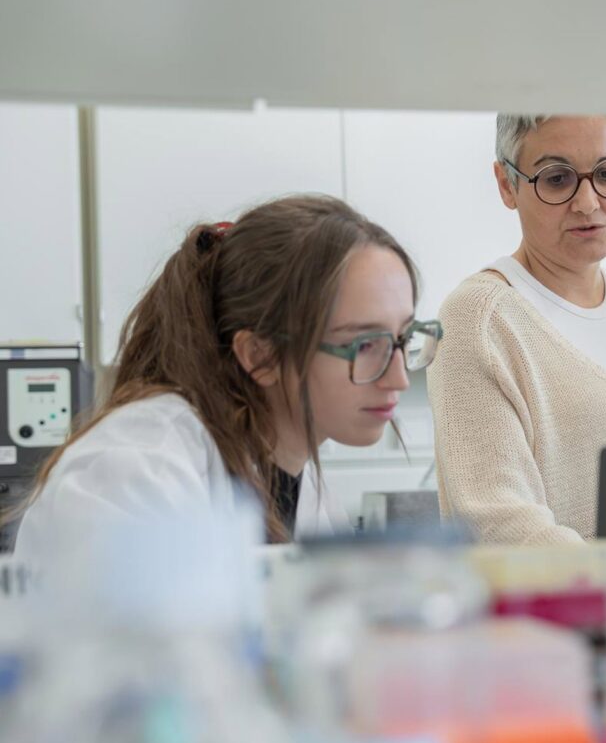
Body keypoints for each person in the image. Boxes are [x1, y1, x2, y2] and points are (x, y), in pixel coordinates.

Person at [13, 195, 442, 554]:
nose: (399, 379)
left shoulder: (304, 483)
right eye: (365, 345)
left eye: (403, 338)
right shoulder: (139, 467)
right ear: (260, 355)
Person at [427, 114, 606, 545]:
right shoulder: (479, 319)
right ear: (507, 184)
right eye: (557, 179)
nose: (588, 203)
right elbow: (498, 525)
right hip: (554, 611)